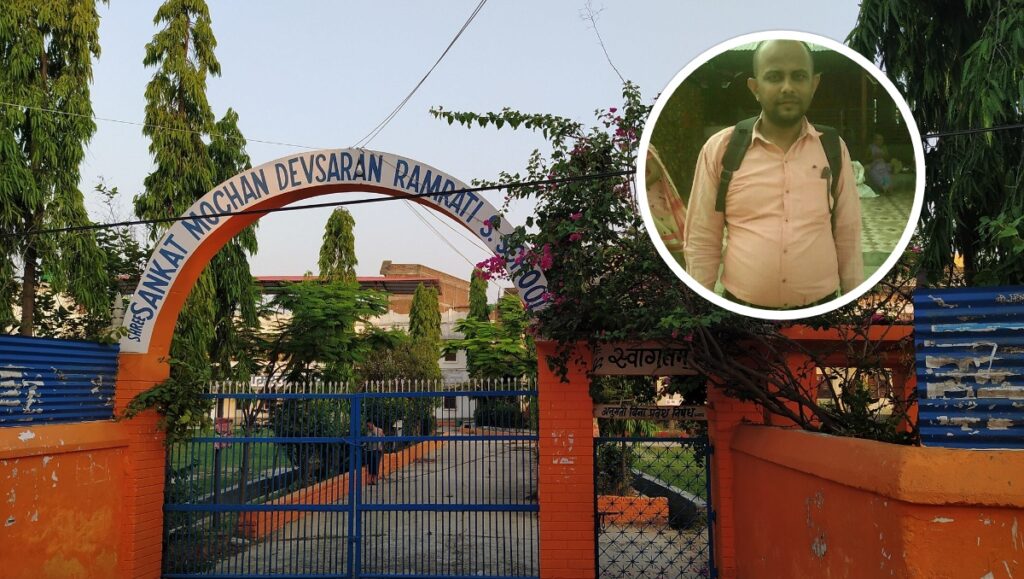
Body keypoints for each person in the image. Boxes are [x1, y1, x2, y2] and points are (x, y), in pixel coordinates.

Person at [683, 39, 863, 309]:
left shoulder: (833, 147)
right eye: (775, 77)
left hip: (822, 312)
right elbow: (702, 238)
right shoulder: (722, 149)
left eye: (798, 76)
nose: (788, 87)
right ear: (755, 88)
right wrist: (699, 312)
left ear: (813, 84)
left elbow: (848, 233)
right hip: (741, 313)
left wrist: (854, 306)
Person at [364, 419, 384, 485]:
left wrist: (381, 447)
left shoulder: (379, 430)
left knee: (376, 464)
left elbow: (384, 439)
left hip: (377, 450)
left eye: (368, 425)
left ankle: (375, 479)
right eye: (367, 426)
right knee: (370, 464)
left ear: (372, 423)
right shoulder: (368, 432)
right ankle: (369, 479)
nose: (368, 427)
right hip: (370, 450)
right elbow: (367, 441)